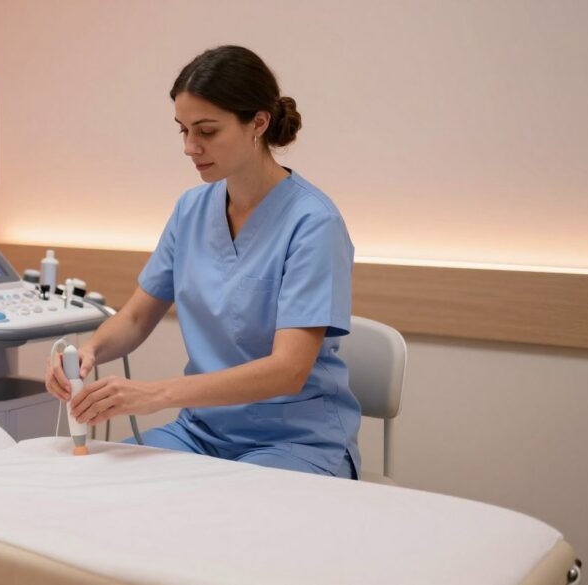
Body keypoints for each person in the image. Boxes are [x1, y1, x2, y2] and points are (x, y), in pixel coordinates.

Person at [45, 45, 360, 479]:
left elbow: (288, 370)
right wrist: (89, 351)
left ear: (259, 123)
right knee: (100, 483)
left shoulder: (313, 224)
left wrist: (156, 395)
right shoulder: (192, 210)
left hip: (291, 440)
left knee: (228, 525)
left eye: (207, 131)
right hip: (201, 432)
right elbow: (136, 319)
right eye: (184, 131)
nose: (191, 147)